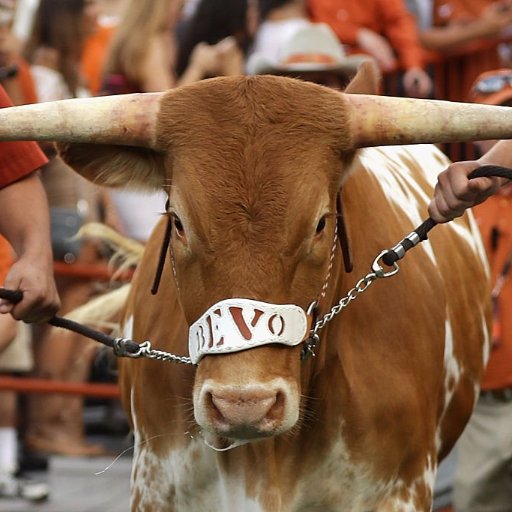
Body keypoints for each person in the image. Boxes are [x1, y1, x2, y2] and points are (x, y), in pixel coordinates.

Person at [428, 69, 512, 511]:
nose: (503, 127)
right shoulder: (450, 205)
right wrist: (487, 176)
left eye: (509, 115)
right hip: (488, 401)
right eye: (491, 119)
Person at [307, 0, 433, 97]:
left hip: (375, 81)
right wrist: (358, 35)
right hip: (324, 75)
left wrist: (413, 67)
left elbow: (399, 24)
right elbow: (309, 22)